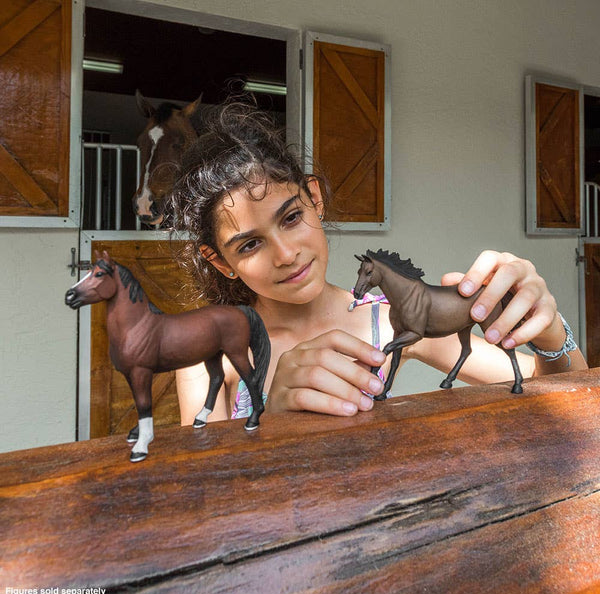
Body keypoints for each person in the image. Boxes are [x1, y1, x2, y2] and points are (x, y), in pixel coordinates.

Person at [169, 102, 587, 425]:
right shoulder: (207, 353)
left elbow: (563, 396)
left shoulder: (390, 325)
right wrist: (273, 423)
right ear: (220, 261)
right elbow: (199, 498)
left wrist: (551, 334)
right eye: (249, 246)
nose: (286, 254)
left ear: (315, 198)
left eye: (292, 217)